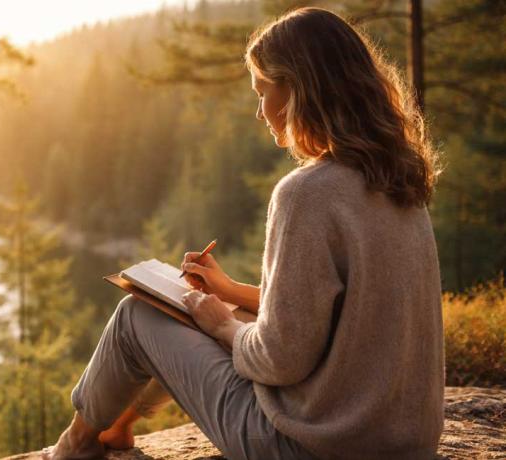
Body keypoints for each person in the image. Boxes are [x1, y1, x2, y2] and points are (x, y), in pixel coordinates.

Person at [44, 7, 444, 460]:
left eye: (262, 92)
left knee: (137, 317)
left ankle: (74, 446)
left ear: (297, 90)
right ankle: (117, 427)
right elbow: (341, 314)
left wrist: (221, 325)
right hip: (405, 444)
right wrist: (230, 291)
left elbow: (278, 360)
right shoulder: (401, 182)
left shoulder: (307, 193)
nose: (259, 111)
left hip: (307, 446)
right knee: (190, 309)